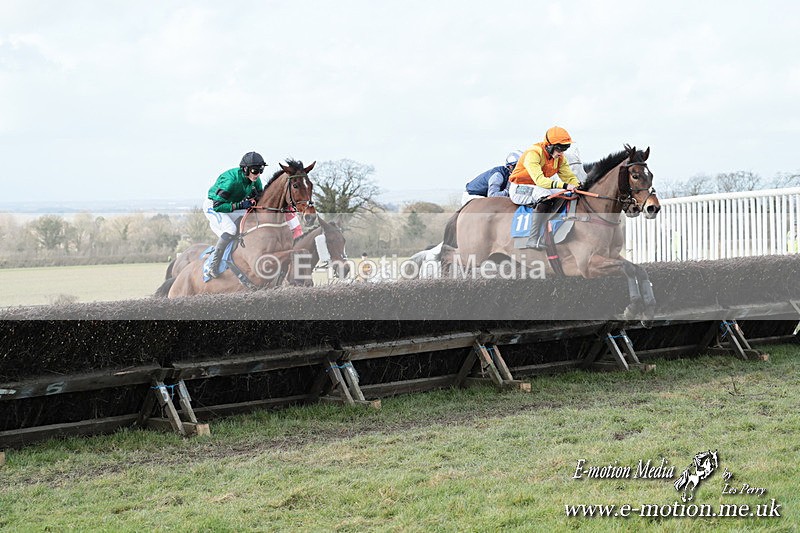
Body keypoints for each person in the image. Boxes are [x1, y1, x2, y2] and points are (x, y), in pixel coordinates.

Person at [508, 126, 582, 249]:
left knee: (565, 193)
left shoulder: (560, 159)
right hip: (519, 188)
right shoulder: (533, 154)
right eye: (560, 149)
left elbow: (569, 178)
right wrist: (565, 186)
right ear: (550, 145)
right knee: (544, 196)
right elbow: (540, 181)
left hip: (537, 187)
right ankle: (533, 238)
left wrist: (578, 186)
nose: (562, 153)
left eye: (565, 149)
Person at [202, 151, 267, 278]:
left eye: (260, 170)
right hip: (214, 207)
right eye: (255, 171)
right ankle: (212, 265)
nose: (258, 174)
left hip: (231, 205)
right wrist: (240, 205)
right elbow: (218, 205)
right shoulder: (230, 181)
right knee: (231, 229)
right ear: (245, 169)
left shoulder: (255, 180)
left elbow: (260, 197)